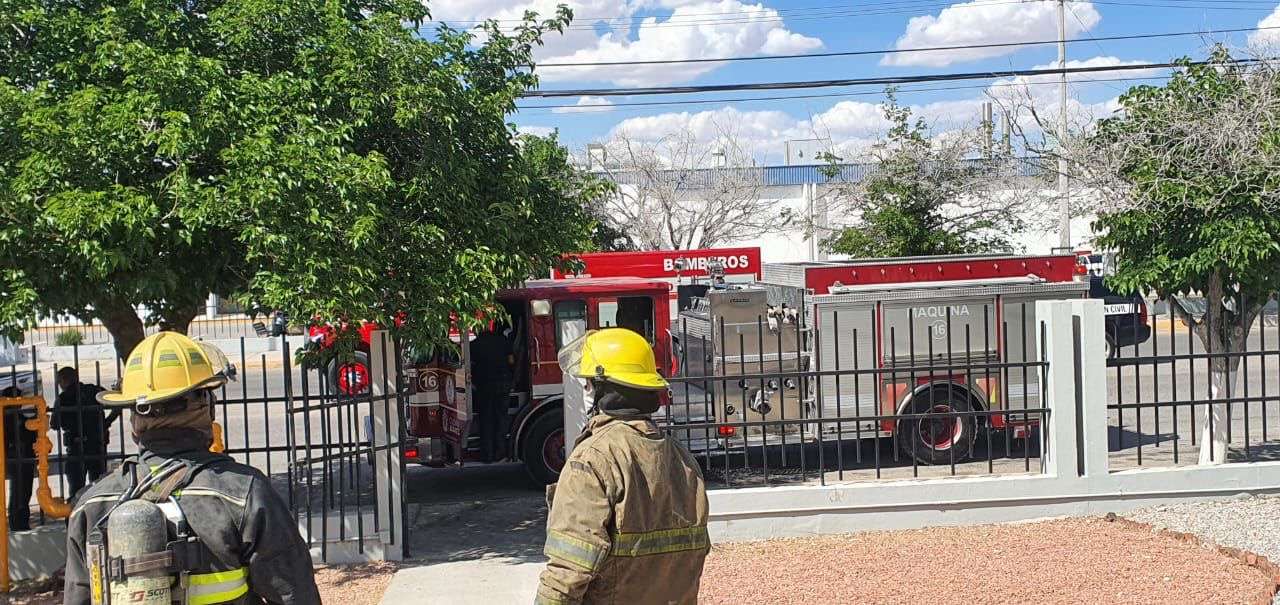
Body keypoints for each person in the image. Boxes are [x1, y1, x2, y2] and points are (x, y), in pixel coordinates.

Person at [63, 332, 320, 605]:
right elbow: (295, 595)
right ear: (205, 406)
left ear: (135, 418)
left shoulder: (91, 506)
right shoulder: (244, 493)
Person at [536, 328, 710, 605]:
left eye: (589, 384)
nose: (586, 391)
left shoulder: (593, 459)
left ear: (606, 390)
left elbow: (567, 573)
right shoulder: (682, 459)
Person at [52, 367, 119, 497]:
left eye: (59, 382)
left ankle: (76, 509)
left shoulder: (63, 398)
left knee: (76, 491)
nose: (59, 385)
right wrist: (105, 423)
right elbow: (116, 404)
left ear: (64, 380)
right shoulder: (94, 390)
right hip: (97, 445)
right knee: (98, 487)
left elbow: (54, 425)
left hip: (76, 448)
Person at [471, 323, 514, 463]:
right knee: (501, 419)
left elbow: (470, 364)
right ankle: (500, 453)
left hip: (484, 386)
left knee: (486, 420)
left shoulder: (475, 344)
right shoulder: (503, 341)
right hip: (503, 385)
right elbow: (511, 361)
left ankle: (487, 455)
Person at [2, 385, 36, 531]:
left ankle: (18, 522)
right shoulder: (10, 417)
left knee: (20, 491)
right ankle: (18, 522)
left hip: (19, 456)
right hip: (18, 456)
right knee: (20, 492)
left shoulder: (12, 416)